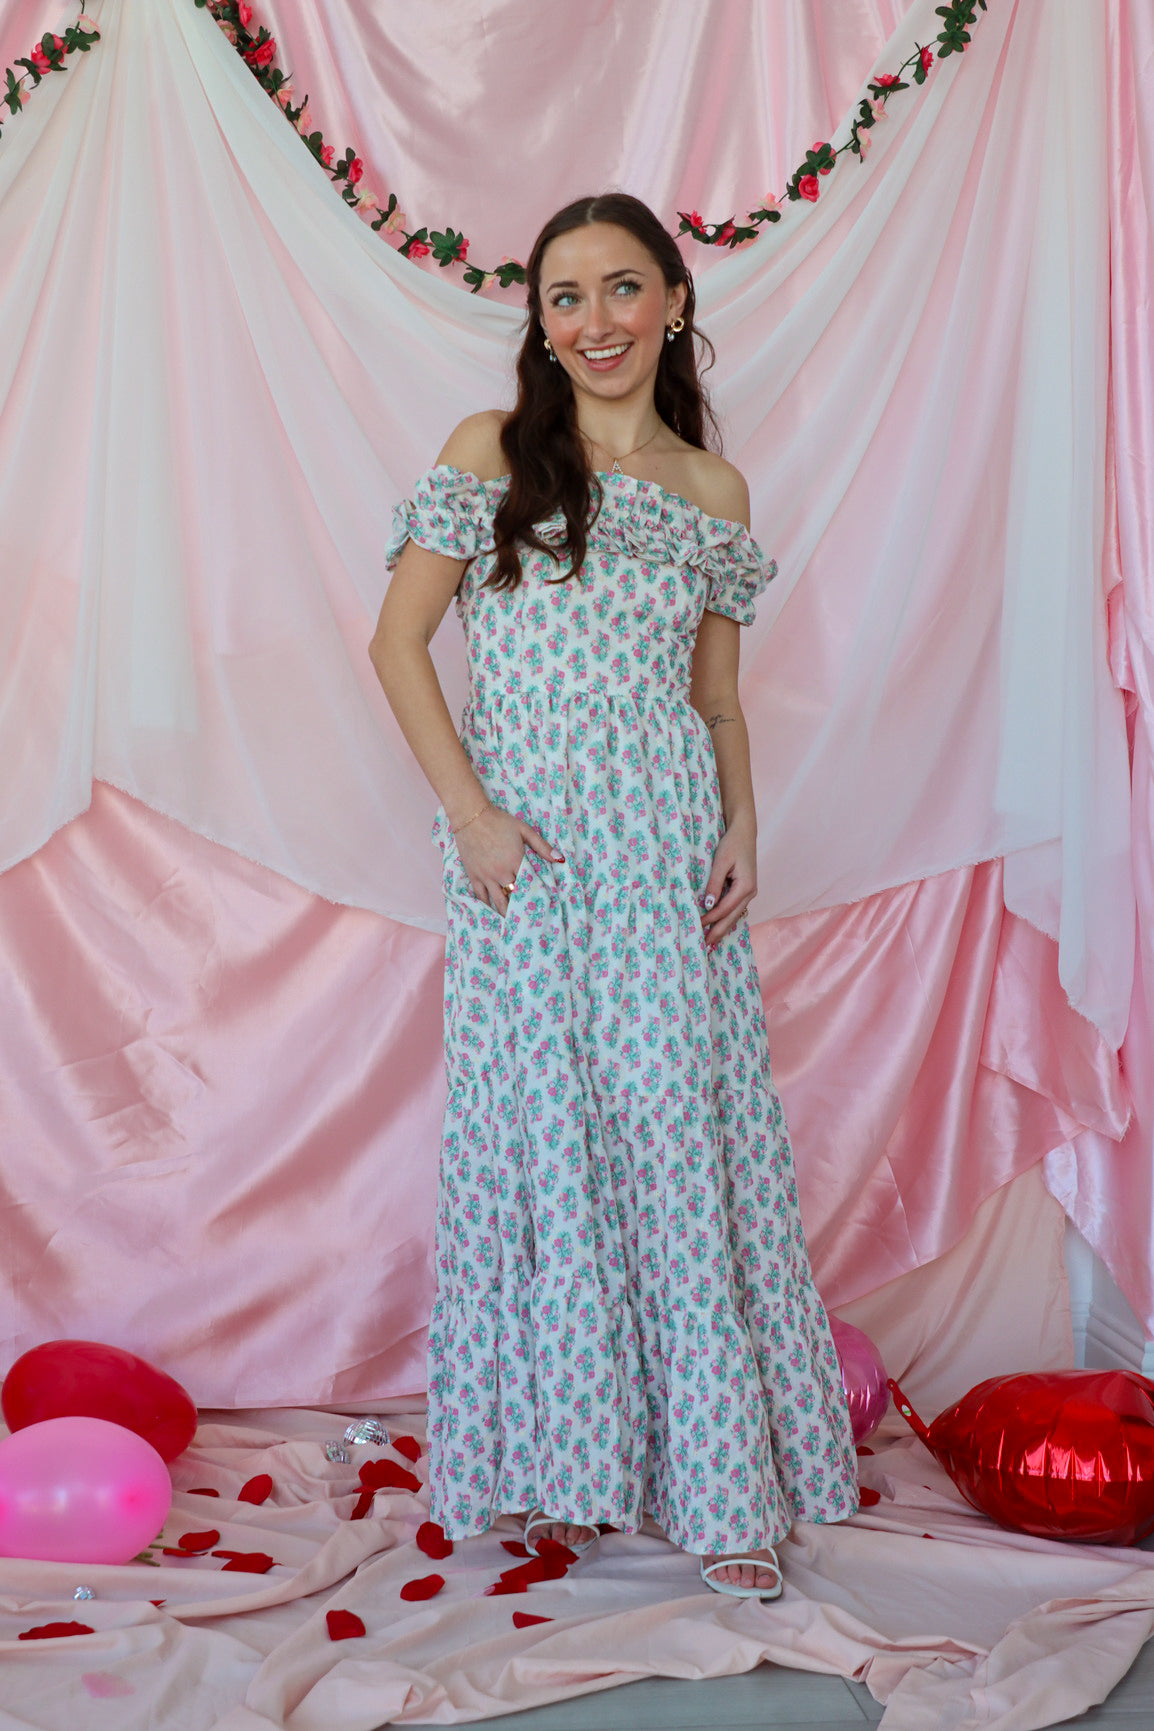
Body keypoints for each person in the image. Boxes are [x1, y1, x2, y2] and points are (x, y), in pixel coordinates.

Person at [369, 192, 858, 1599]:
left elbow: (716, 701)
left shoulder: (712, 494)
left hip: (661, 861)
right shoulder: (491, 454)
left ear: (672, 305)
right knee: (544, 1146)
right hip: (523, 859)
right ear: (538, 319)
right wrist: (470, 818)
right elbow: (398, 645)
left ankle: (719, 1496)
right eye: (563, 296)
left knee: (670, 1143)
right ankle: (568, 1466)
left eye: (621, 288)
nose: (593, 322)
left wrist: (743, 831)